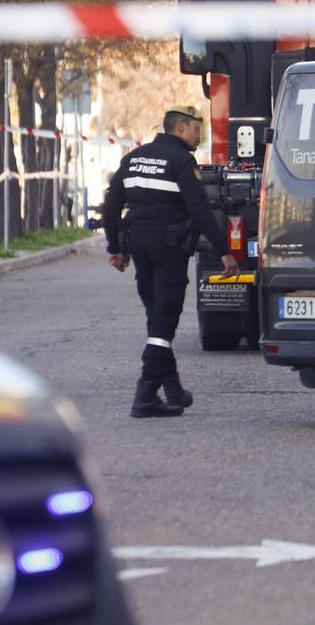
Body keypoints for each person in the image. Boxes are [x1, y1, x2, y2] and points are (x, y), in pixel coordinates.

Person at [103, 105, 238, 418]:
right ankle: (146, 393)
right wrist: (224, 252)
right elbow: (200, 210)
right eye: (195, 128)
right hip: (169, 247)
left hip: (138, 245)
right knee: (165, 318)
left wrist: (115, 248)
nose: (198, 134)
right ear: (179, 128)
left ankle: (174, 391)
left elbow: (111, 207)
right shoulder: (181, 161)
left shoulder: (133, 158)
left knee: (156, 314)